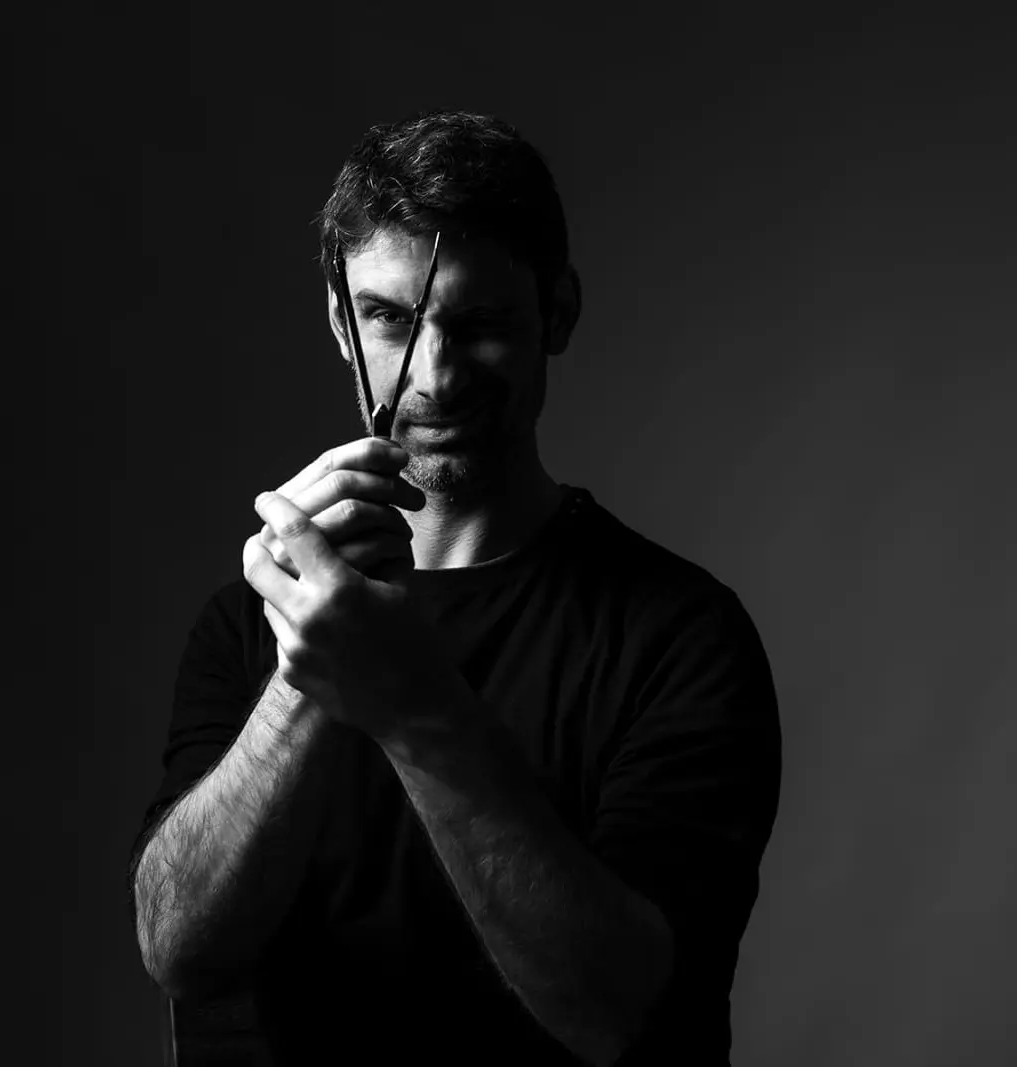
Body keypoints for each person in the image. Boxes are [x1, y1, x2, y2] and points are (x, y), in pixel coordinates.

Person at [127, 109, 782, 1066]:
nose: (433, 376)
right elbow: (178, 950)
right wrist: (305, 676)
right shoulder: (245, 622)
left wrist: (411, 709)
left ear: (557, 314)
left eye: (479, 324)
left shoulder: (678, 636)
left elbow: (619, 1016)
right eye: (390, 318)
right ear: (341, 325)